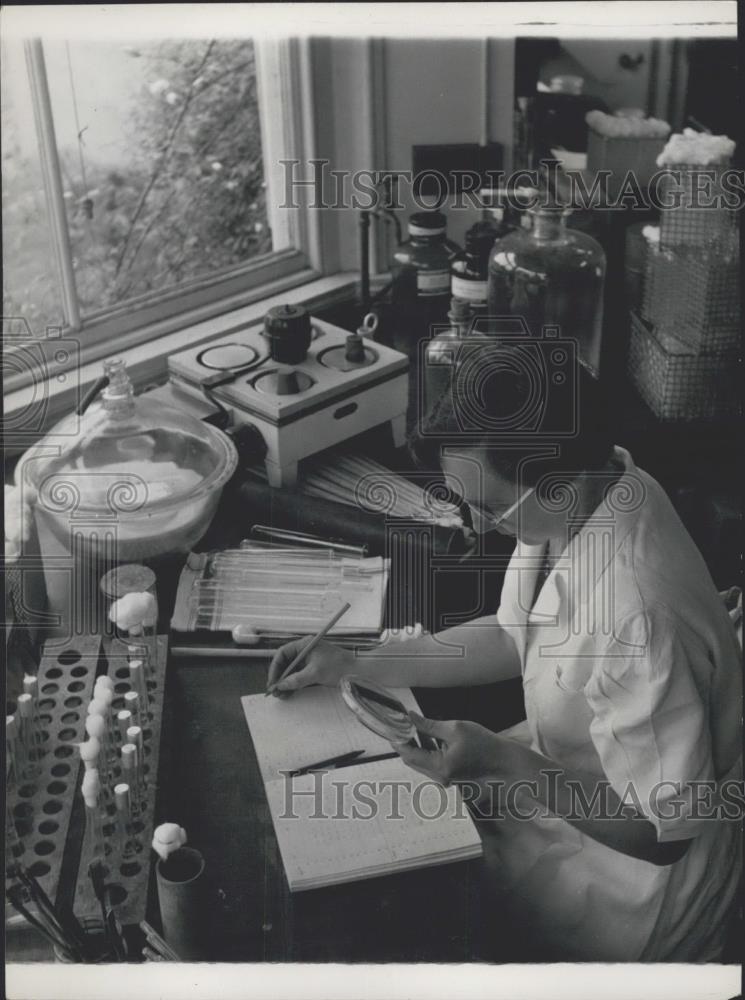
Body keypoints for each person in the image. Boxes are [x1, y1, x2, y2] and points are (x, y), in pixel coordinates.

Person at [266, 350, 742, 962]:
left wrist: (505, 763)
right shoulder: (599, 487)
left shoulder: (637, 618)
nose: (479, 525)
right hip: (563, 789)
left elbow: (665, 831)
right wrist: (356, 662)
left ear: (562, 483)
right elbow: (512, 634)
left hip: (630, 883)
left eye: (491, 507)